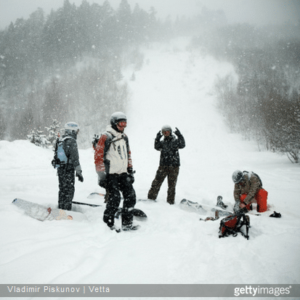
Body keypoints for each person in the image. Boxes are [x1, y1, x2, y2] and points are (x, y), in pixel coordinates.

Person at [94, 112, 137, 231]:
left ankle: (127, 224)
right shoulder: (106, 136)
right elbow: (98, 157)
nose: (123, 127)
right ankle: (108, 224)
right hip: (110, 175)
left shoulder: (124, 137)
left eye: (125, 124)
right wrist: (101, 176)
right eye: (120, 124)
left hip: (123, 173)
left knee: (131, 197)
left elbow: (128, 154)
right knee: (115, 198)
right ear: (114, 123)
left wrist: (130, 170)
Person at [148, 125, 185, 204]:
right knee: (156, 182)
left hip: (174, 166)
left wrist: (180, 135)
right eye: (164, 132)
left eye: (167, 131)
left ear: (170, 132)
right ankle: (151, 198)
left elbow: (182, 145)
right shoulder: (162, 142)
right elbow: (156, 147)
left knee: (172, 185)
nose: (166, 133)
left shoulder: (175, 141)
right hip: (163, 166)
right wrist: (157, 139)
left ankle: (170, 202)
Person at [52, 122, 84, 211]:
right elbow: (75, 159)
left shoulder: (60, 139)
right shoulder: (72, 141)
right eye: (76, 131)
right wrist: (79, 172)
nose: (77, 133)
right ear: (72, 130)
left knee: (62, 190)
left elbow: (55, 155)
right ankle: (66, 210)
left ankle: (61, 208)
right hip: (68, 170)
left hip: (60, 170)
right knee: (69, 190)